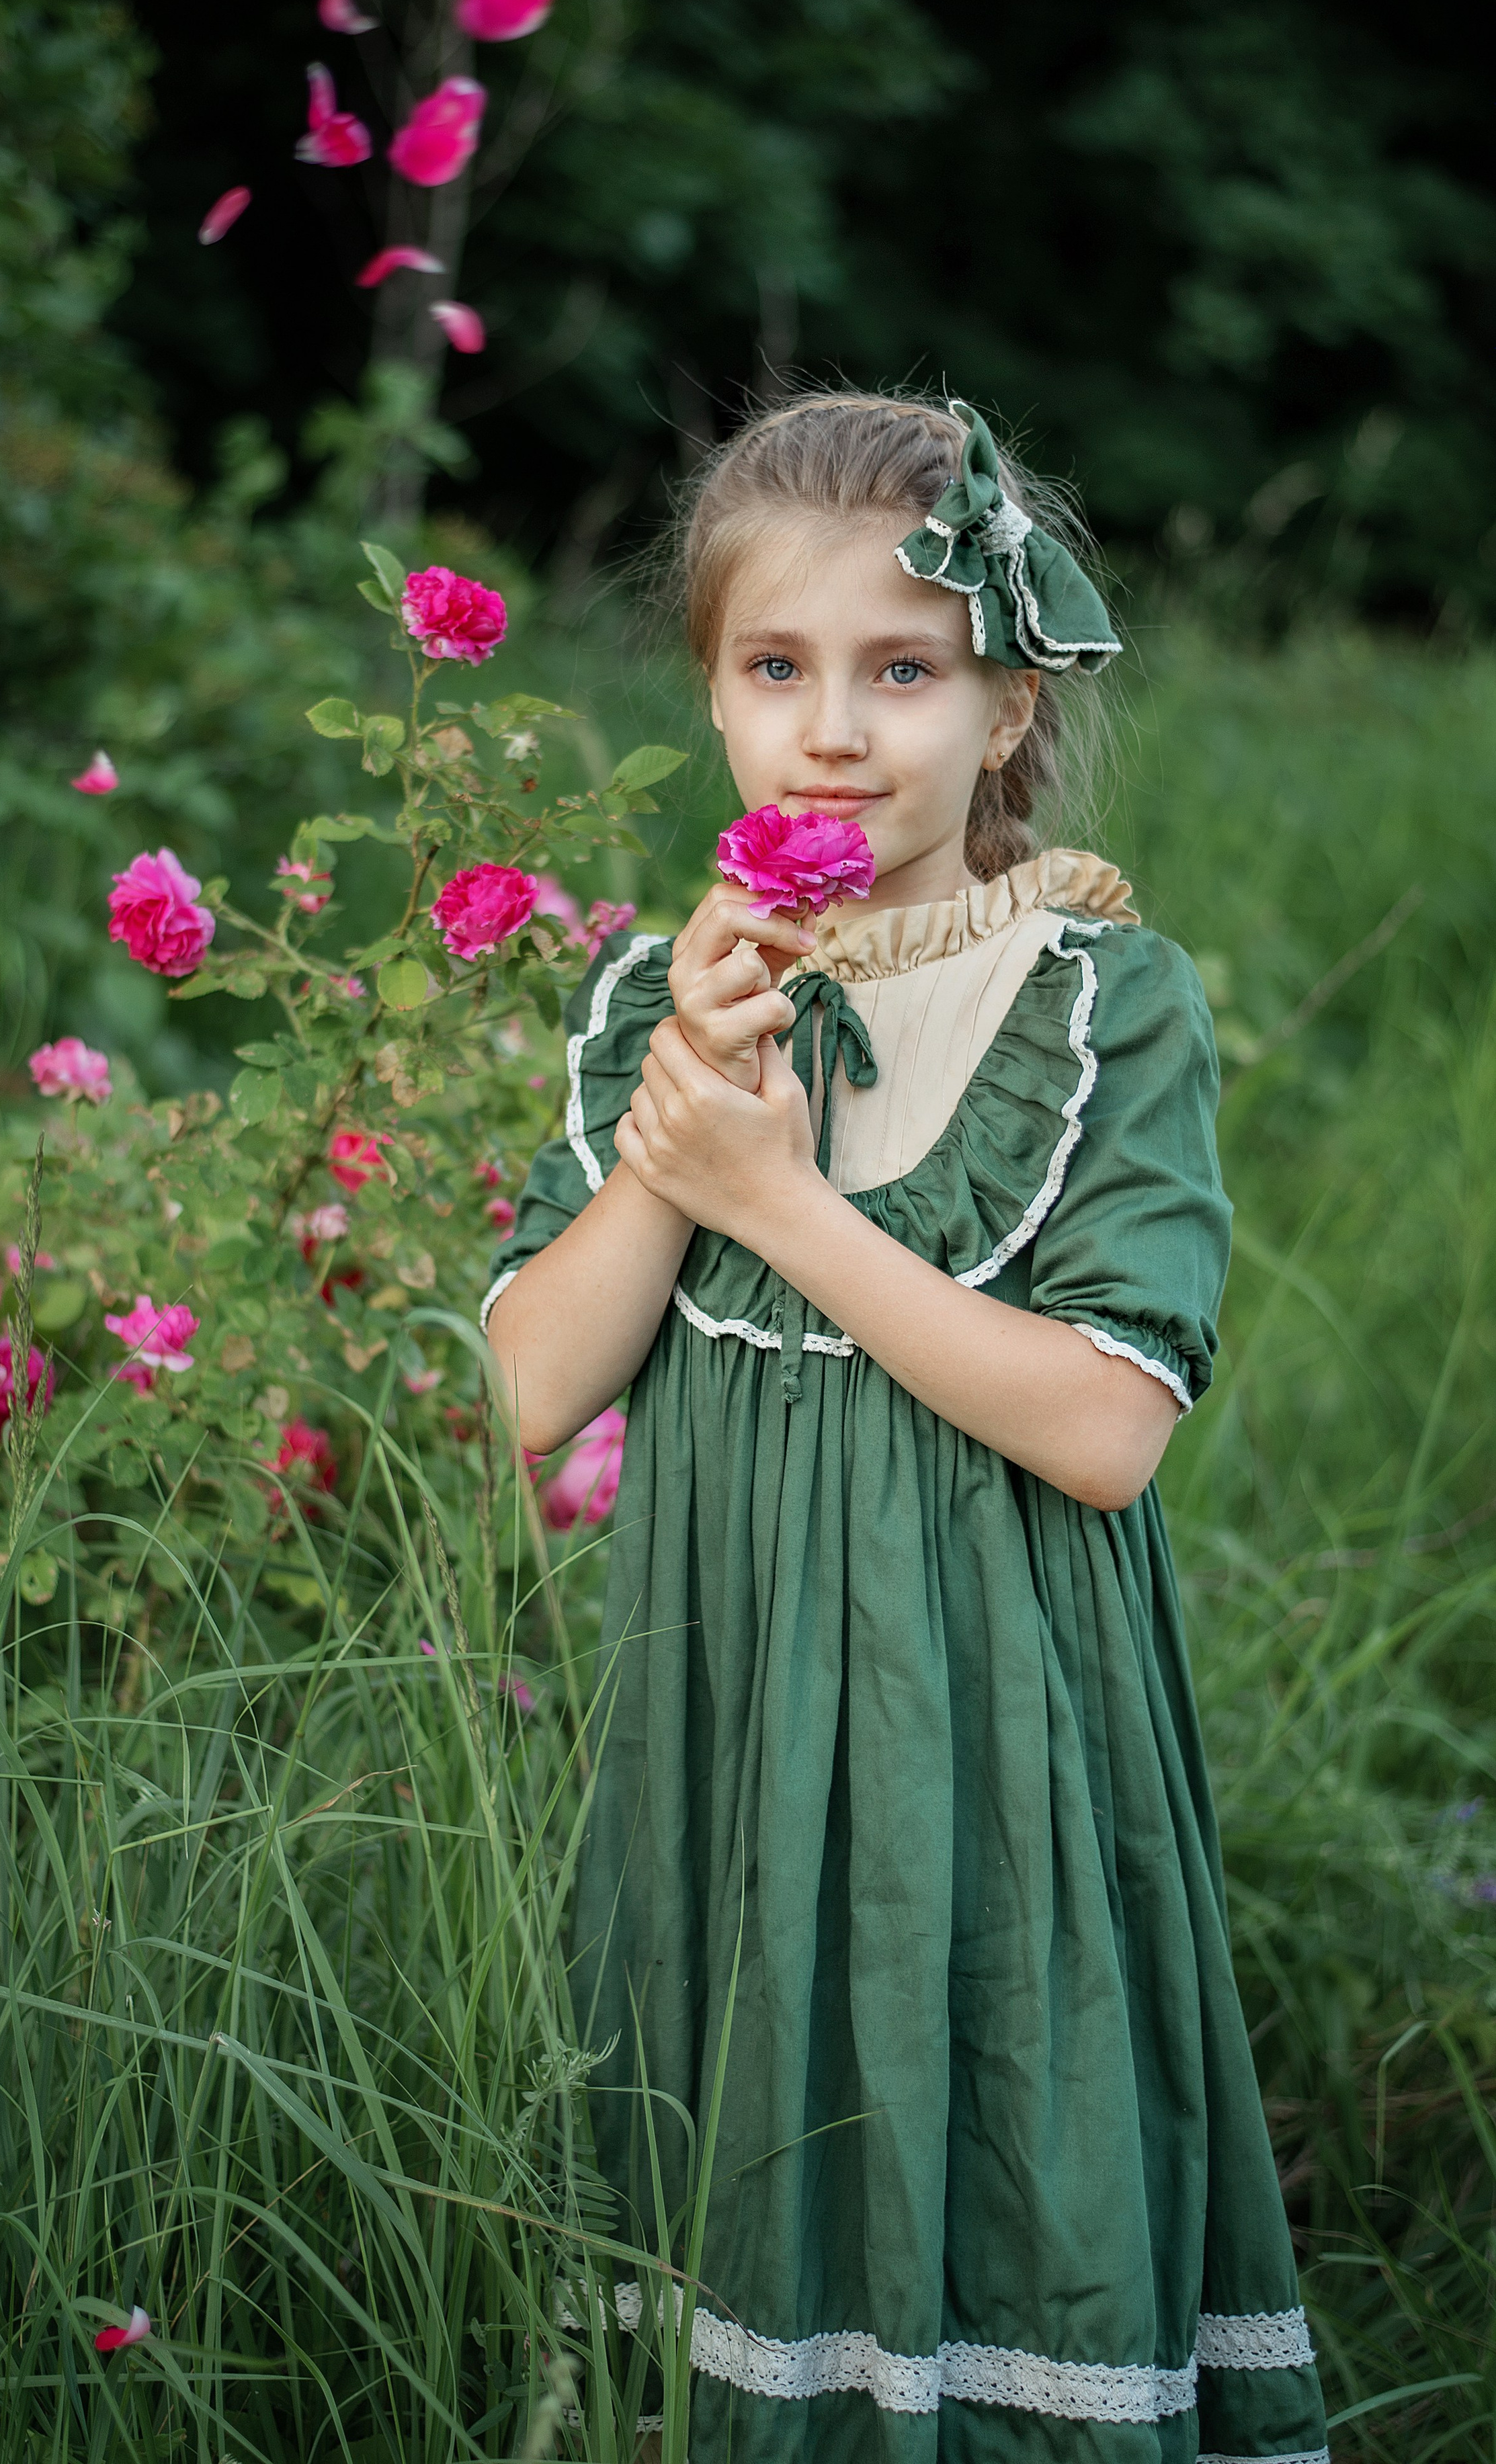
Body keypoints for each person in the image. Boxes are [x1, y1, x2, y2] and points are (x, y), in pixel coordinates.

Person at [486, 394, 1329, 2464]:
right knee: (744, 2120)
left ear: (1009, 707)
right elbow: (524, 1386)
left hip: (999, 1728)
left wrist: (785, 1205)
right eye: (778, 669)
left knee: (991, 2100)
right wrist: (687, 1134)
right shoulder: (651, 1008)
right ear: (712, 696)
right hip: (728, 1711)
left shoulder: (1101, 998)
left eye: (905, 670)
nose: (838, 730)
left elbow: (1103, 1433)